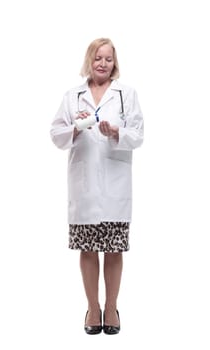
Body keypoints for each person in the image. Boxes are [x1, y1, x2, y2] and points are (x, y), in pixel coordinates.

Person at [50, 37, 144, 335]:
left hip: (115, 184)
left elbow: (138, 134)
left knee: (114, 250)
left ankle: (112, 307)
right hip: (85, 186)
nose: (103, 63)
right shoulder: (73, 95)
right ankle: (93, 308)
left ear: (115, 63)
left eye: (108, 58)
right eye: (98, 58)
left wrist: (116, 131)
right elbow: (56, 133)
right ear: (89, 60)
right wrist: (76, 129)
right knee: (88, 249)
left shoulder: (125, 95)